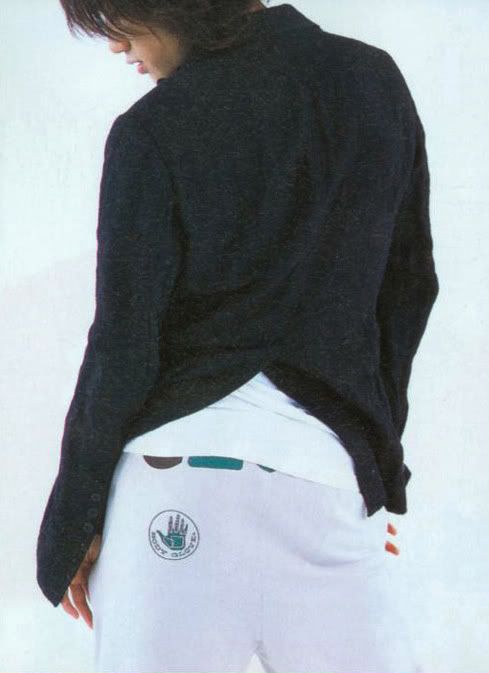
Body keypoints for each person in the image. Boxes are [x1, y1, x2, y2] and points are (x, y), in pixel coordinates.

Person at [37, 1, 438, 672]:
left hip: (172, 488)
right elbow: (408, 289)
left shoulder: (152, 127)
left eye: (119, 17)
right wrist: (372, 466)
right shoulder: (373, 83)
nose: (116, 45)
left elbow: (123, 341)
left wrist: (72, 523)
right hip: (323, 481)